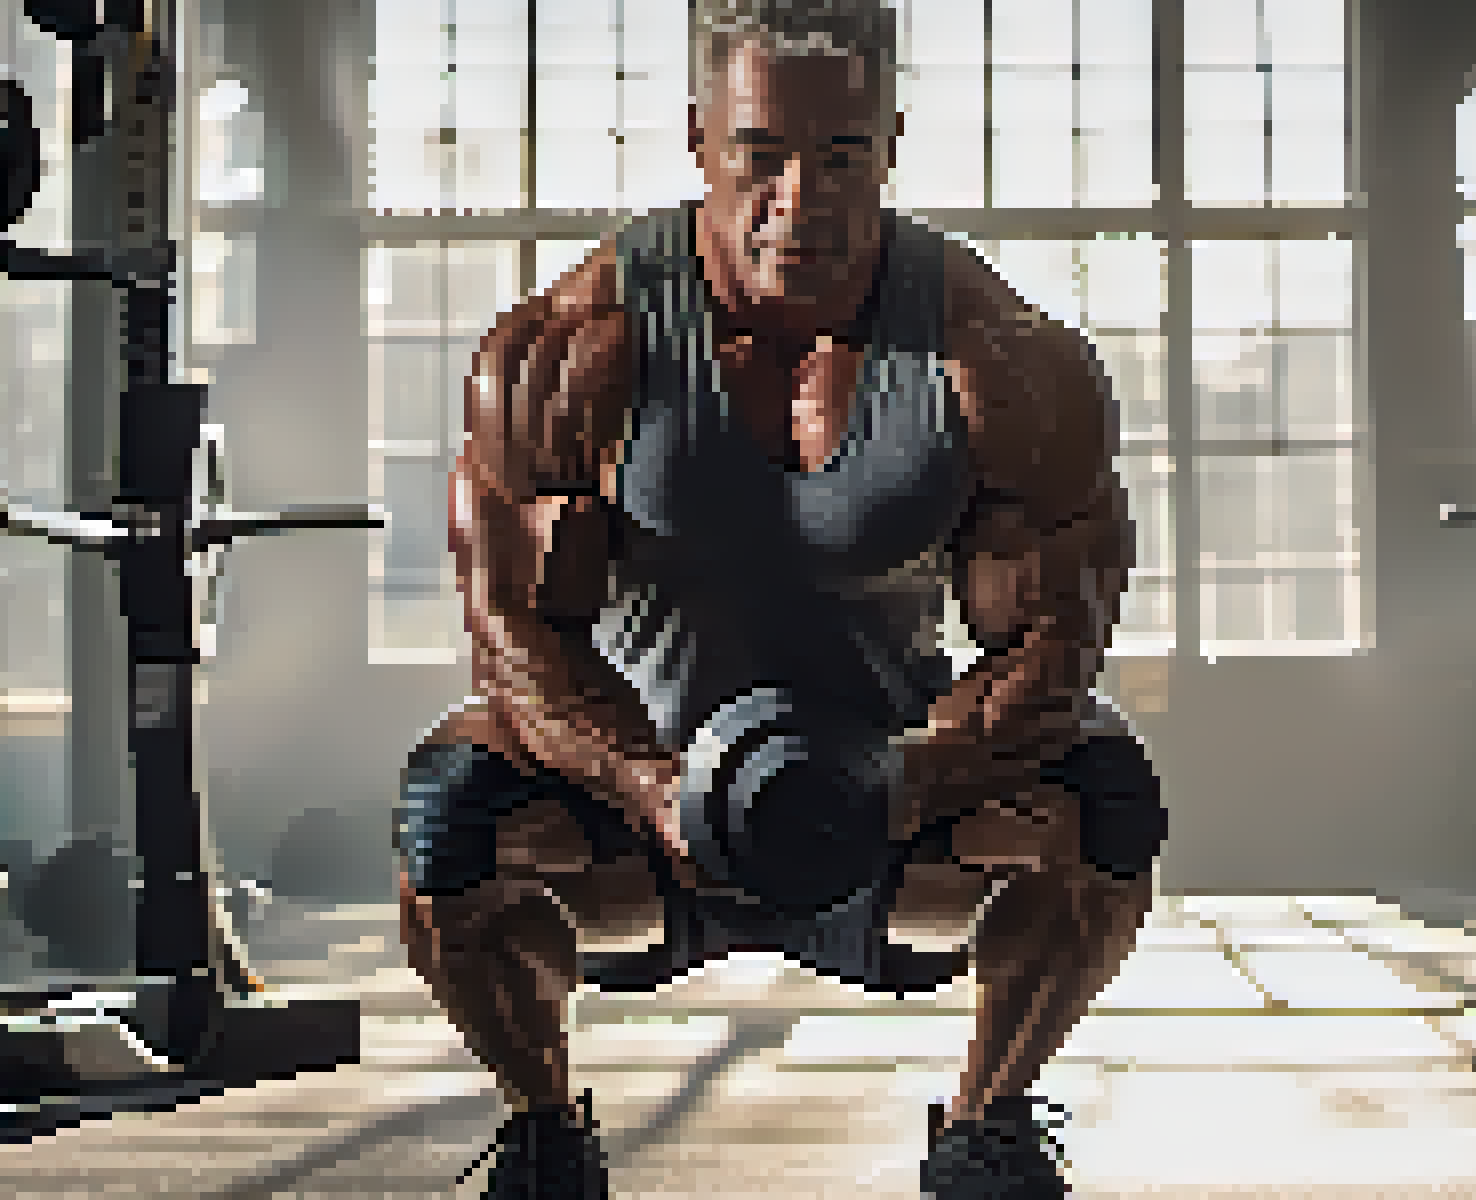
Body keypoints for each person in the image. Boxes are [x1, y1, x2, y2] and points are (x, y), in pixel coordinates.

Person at [391, 3, 1168, 1196]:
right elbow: (513, 636)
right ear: (701, 139)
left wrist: (913, 780)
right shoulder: (572, 350)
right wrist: (648, 787)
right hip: (635, 816)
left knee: (1108, 809)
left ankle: (985, 1125)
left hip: (896, 818)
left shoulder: (996, 358)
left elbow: (1057, 645)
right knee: (447, 820)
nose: (799, 199)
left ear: (891, 142)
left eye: (841, 156)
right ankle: (546, 1130)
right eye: (761, 156)